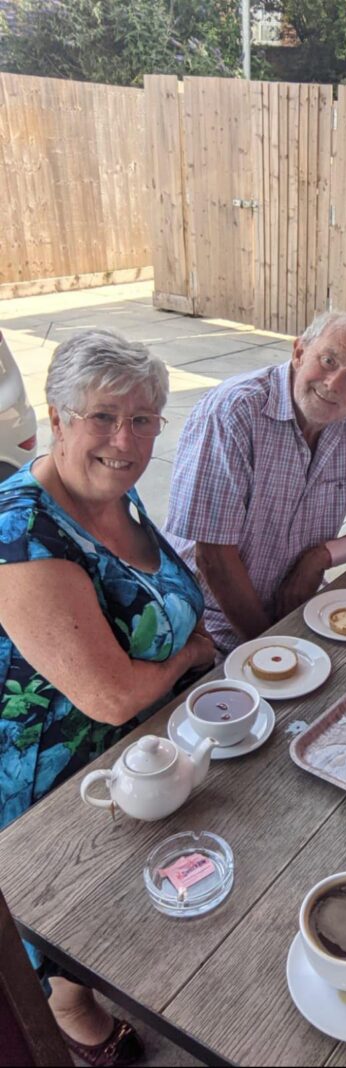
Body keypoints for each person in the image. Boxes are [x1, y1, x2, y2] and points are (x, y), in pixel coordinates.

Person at [0, 329, 215, 1066]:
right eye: (103, 416)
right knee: (73, 926)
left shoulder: (112, 496)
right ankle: (68, 1005)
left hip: (149, 754)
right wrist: (190, 653)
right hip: (58, 784)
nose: (125, 440)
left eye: (145, 419)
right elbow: (111, 697)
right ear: (57, 419)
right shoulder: (20, 529)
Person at [165, 311, 346, 653]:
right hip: (206, 619)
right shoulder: (234, 412)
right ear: (299, 352)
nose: (334, 384)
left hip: (297, 607)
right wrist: (276, 646)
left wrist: (321, 557)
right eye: (328, 360)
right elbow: (213, 556)